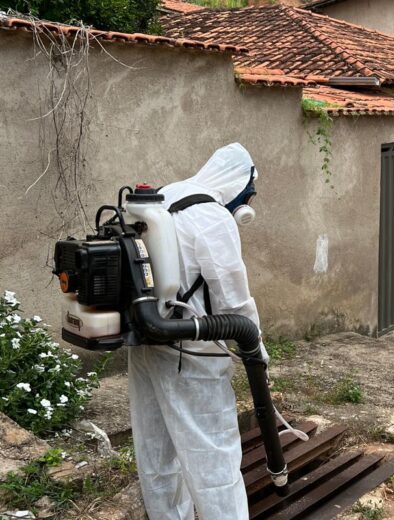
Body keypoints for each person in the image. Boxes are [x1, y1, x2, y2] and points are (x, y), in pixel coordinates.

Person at [128, 143, 266, 520]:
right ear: (238, 183)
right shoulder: (211, 215)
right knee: (213, 455)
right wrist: (257, 349)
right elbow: (233, 300)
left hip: (145, 342)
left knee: (157, 451)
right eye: (250, 193)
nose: (248, 200)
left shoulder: (165, 195)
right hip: (191, 351)